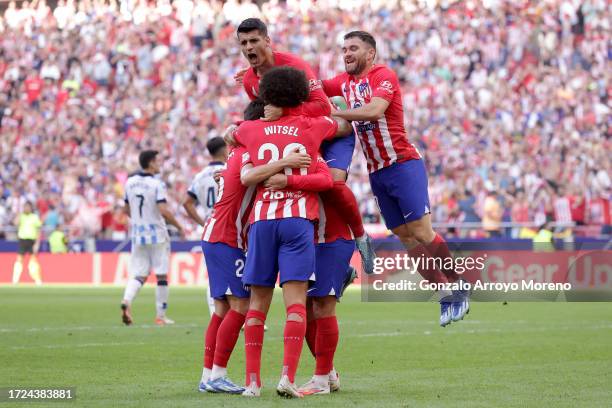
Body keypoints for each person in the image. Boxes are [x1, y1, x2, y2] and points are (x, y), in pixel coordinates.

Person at [322, 31, 467, 327]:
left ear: (370, 54)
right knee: (405, 236)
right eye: (344, 49)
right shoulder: (343, 82)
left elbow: (375, 111)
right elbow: (312, 85)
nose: (346, 53)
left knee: (422, 231)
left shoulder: (382, 75)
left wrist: (339, 115)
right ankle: (443, 294)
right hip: (377, 172)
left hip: (403, 164)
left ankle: (458, 284)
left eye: (353, 48)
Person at [234, 66, 352, 398]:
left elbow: (233, 135)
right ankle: (287, 376)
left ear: (267, 95)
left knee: (257, 303)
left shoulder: (249, 130)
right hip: (298, 220)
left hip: (262, 221)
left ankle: (252, 383)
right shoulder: (312, 126)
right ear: (299, 94)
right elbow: (342, 123)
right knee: (296, 303)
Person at [235, 18, 376, 275]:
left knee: (330, 183)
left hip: (330, 132)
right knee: (303, 194)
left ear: (267, 41)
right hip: (300, 135)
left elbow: (323, 107)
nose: (248, 47)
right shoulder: (249, 81)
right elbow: (262, 118)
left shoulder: (294, 65)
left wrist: (286, 110)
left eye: (254, 40)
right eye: (243, 43)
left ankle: (361, 237)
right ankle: (336, 268)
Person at [197, 99, 311, 394]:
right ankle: (218, 373)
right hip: (227, 237)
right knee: (241, 305)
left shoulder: (238, 151)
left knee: (222, 308)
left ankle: (208, 374)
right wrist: (286, 162)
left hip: (217, 233)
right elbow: (250, 176)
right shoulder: (250, 151)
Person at [120, 150, 185, 326]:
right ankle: (160, 316)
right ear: (150, 163)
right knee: (162, 275)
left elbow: (125, 210)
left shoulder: (130, 182)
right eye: (157, 161)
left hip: (138, 234)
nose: (159, 164)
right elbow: (163, 210)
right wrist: (179, 227)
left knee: (139, 274)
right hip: (157, 234)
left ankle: (126, 300)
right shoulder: (156, 184)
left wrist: (140, 221)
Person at [183, 136, 228, 318]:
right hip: (231, 225)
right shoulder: (229, 169)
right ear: (225, 150)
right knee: (241, 270)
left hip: (211, 227)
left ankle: (215, 316)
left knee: (214, 274)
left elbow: (186, 203)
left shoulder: (200, 176)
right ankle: (245, 317)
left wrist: (203, 222)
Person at [12, 201, 43, 285]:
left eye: (28, 207)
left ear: (31, 208)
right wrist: (19, 214)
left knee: (33, 260)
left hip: (32, 241)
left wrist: (37, 243)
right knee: (19, 259)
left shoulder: (34, 217)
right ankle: (15, 280)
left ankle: (37, 279)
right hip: (22, 240)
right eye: (25, 207)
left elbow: (39, 230)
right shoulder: (21, 216)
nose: (27, 208)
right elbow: (15, 223)